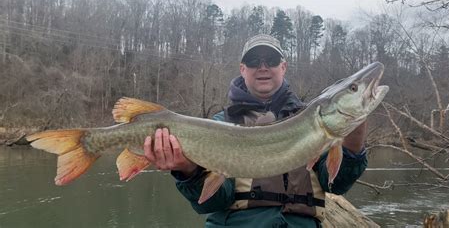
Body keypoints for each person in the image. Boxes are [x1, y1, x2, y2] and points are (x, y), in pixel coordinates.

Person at [143, 34, 368, 227]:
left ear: (283, 66)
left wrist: (354, 136)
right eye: (253, 61)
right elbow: (212, 202)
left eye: (271, 59)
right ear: (243, 69)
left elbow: (336, 184)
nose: (262, 67)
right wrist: (188, 170)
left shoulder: (312, 122)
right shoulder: (221, 123)